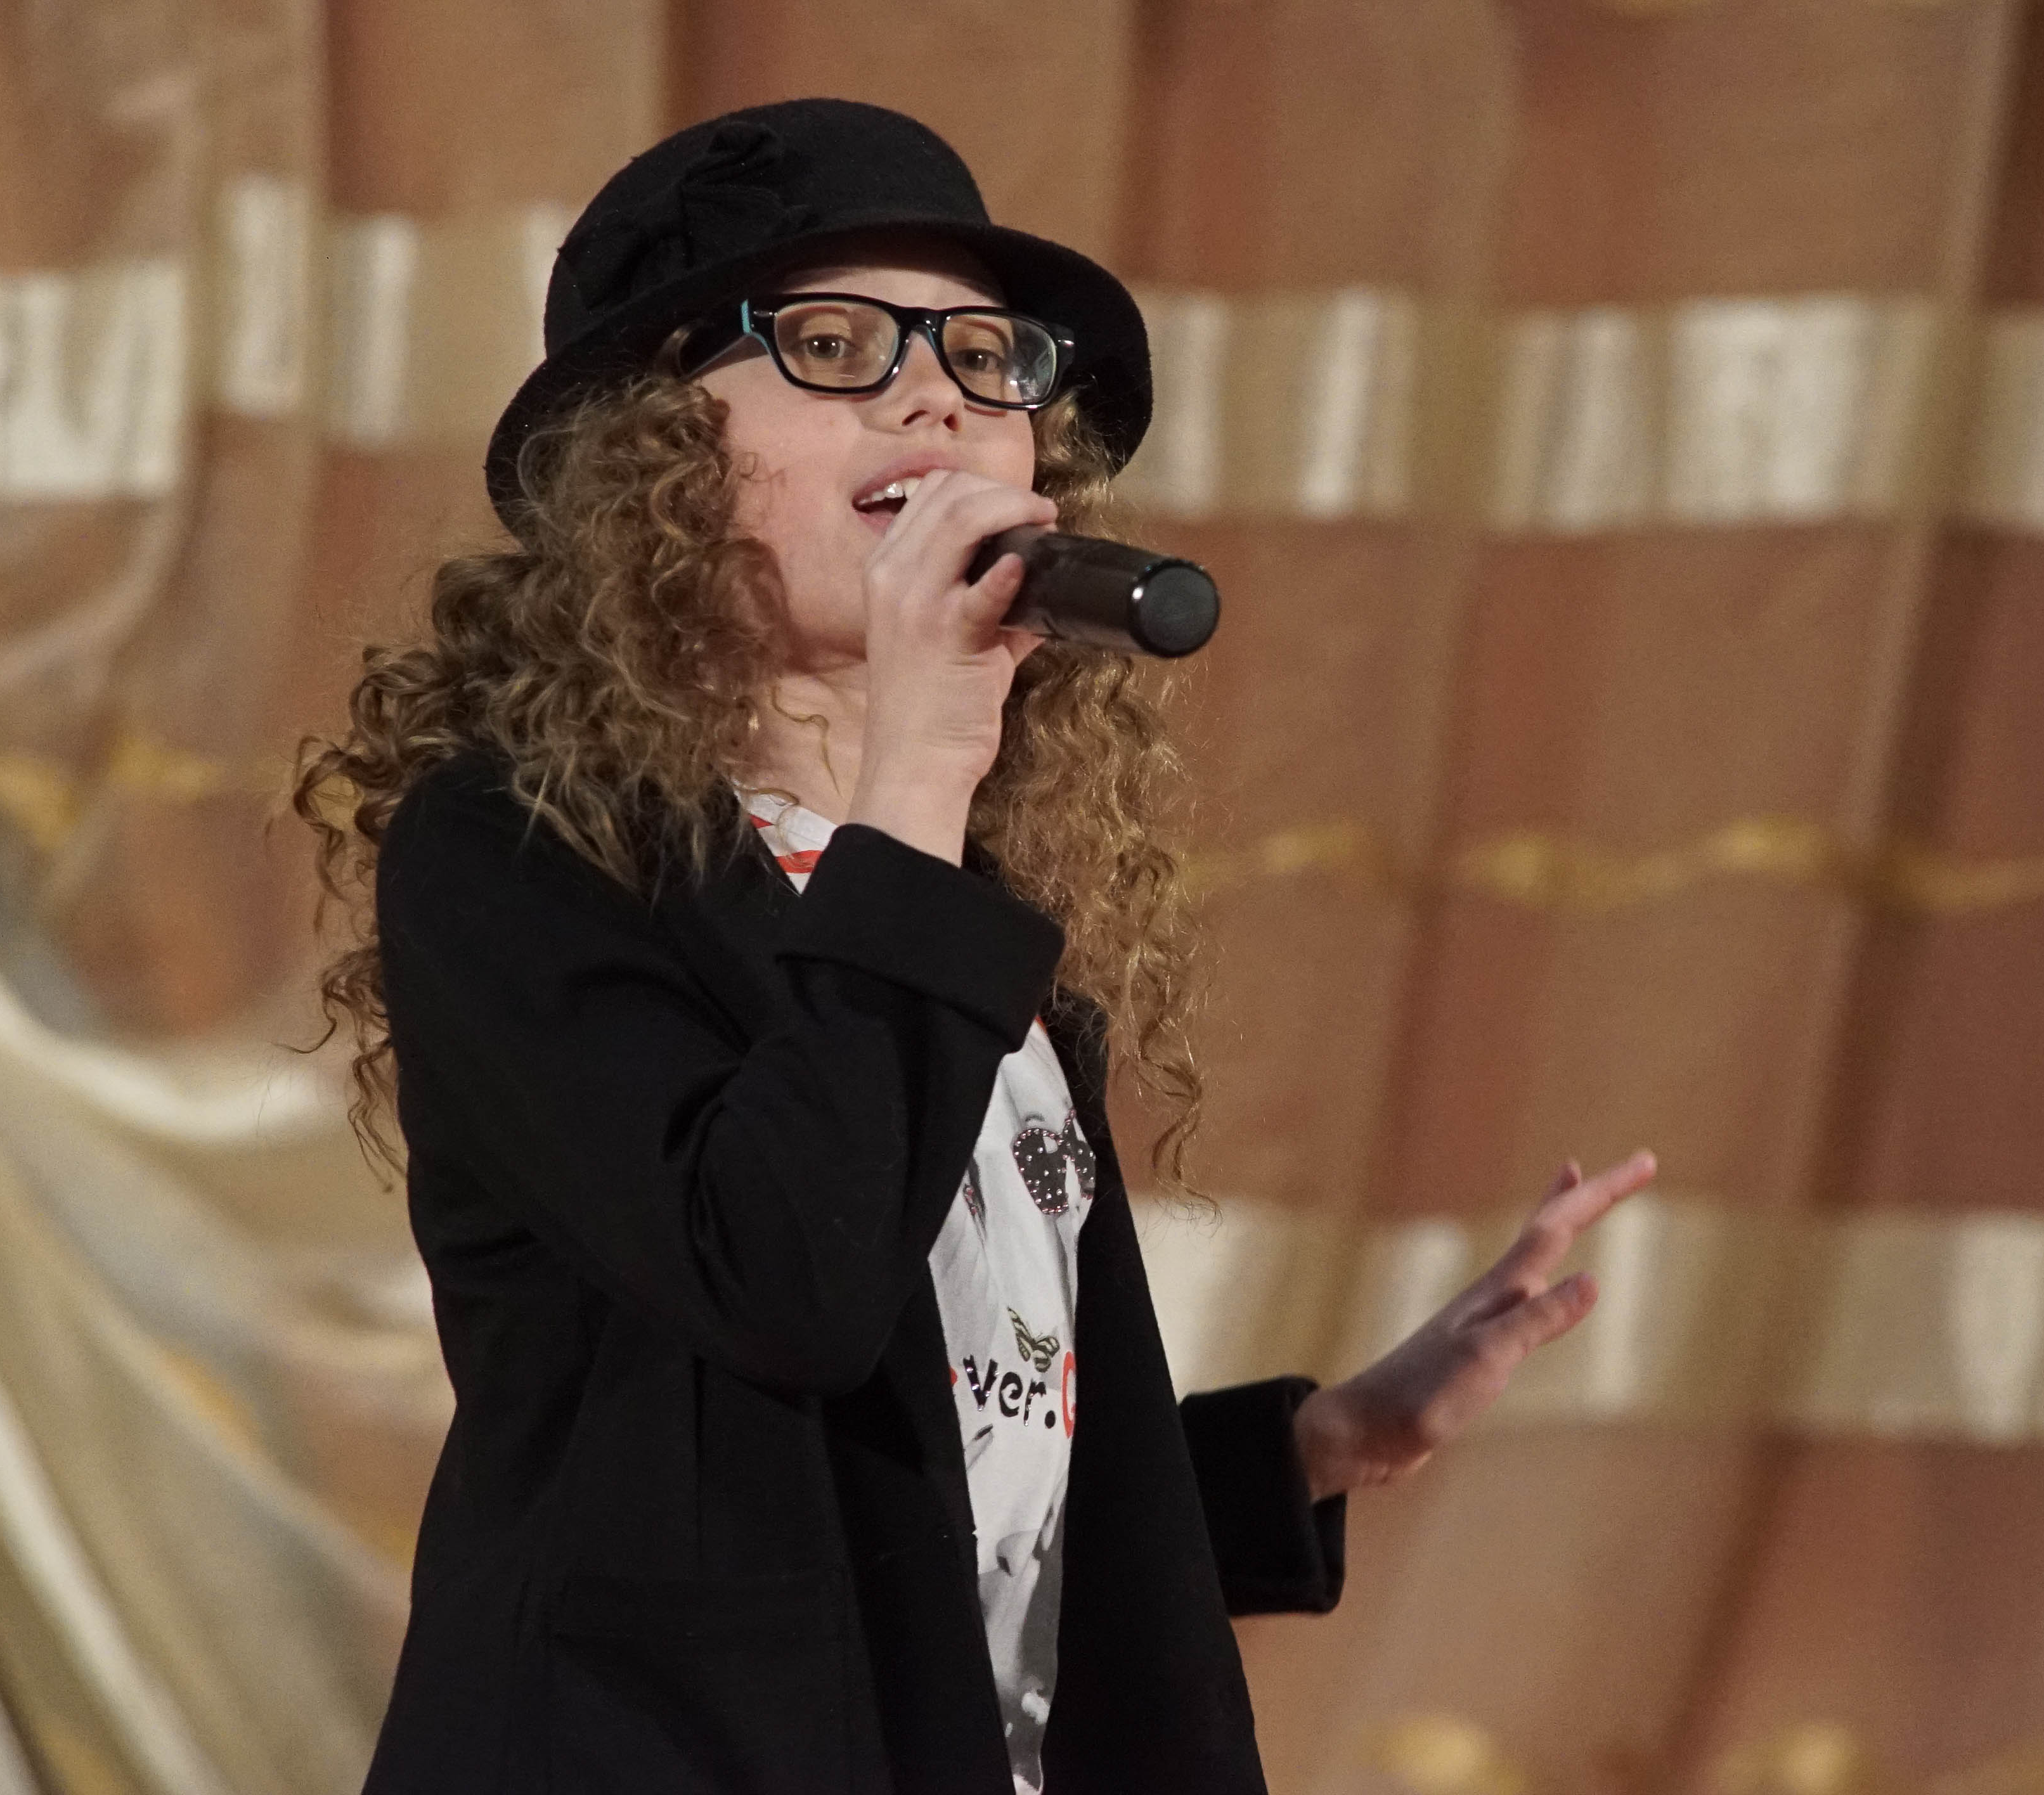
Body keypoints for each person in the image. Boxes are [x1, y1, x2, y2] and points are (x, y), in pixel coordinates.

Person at [296, 98, 1655, 1795]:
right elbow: (783, 1285)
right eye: (834, 345)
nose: (939, 395)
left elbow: (929, 1472)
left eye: (986, 358)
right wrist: (923, 761)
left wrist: (1322, 1444)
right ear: (645, 458)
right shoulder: (520, 850)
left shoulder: (947, 902)